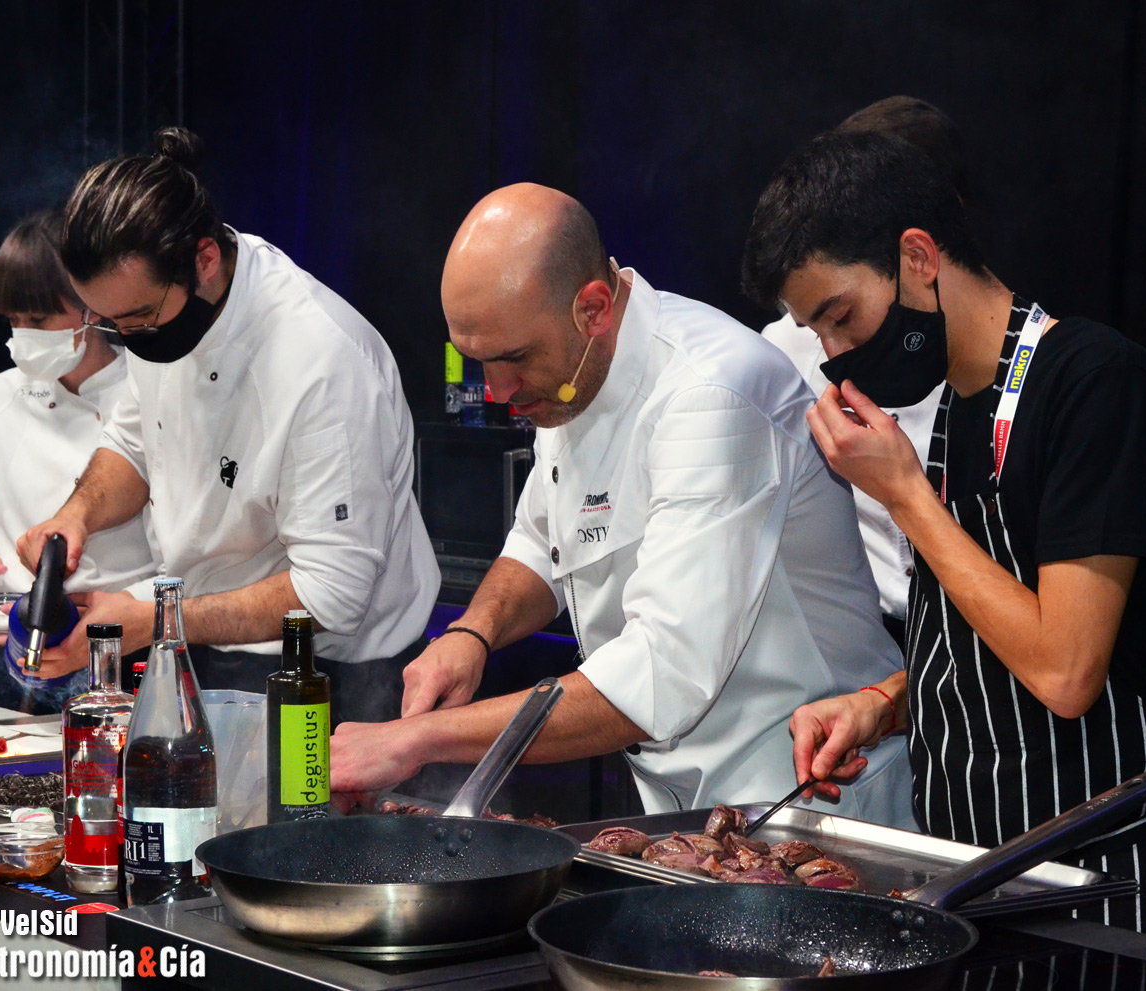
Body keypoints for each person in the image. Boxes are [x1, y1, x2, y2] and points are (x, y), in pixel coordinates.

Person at [329, 182, 915, 827]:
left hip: (802, 792)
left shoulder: (712, 395)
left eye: (514, 359)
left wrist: (414, 741)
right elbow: (541, 540)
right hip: (682, 801)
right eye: (478, 363)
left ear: (594, 308)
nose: (495, 391)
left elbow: (663, 673)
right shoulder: (569, 373)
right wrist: (473, 634)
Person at [741, 129, 1146, 939]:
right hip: (972, 878)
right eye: (818, 333)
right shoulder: (957, 407)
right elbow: (987, 640)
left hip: (1099, 898)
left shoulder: (1096, 383)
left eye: (840, 317)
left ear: (918, 257)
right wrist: (881, 705)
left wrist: (905, 495)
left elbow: (1064, 669)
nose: (837, 354)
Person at [16, 127, 439, 722]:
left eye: (138, 317)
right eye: (109, 324)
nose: (128, 339)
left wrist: (157, 620)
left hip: (336, 679)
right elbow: (135, 446)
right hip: (206, 647)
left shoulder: (320, 361)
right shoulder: (157, 319)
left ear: (204, 259)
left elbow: (332, 594)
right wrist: (76, 514)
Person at [0, 211, 154, 708]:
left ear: (93, 307)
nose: (22, 336)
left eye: (37, 320)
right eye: (12, 320)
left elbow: (183, 561)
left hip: (114, 652)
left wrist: (116, 614)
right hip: (2, 650)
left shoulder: (147, 392)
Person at [762, 98, 959, 648]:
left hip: (972, 627)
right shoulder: (783, 351)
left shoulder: (1006, 360)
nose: (832, 347)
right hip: (864, 634)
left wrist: (902, 491)